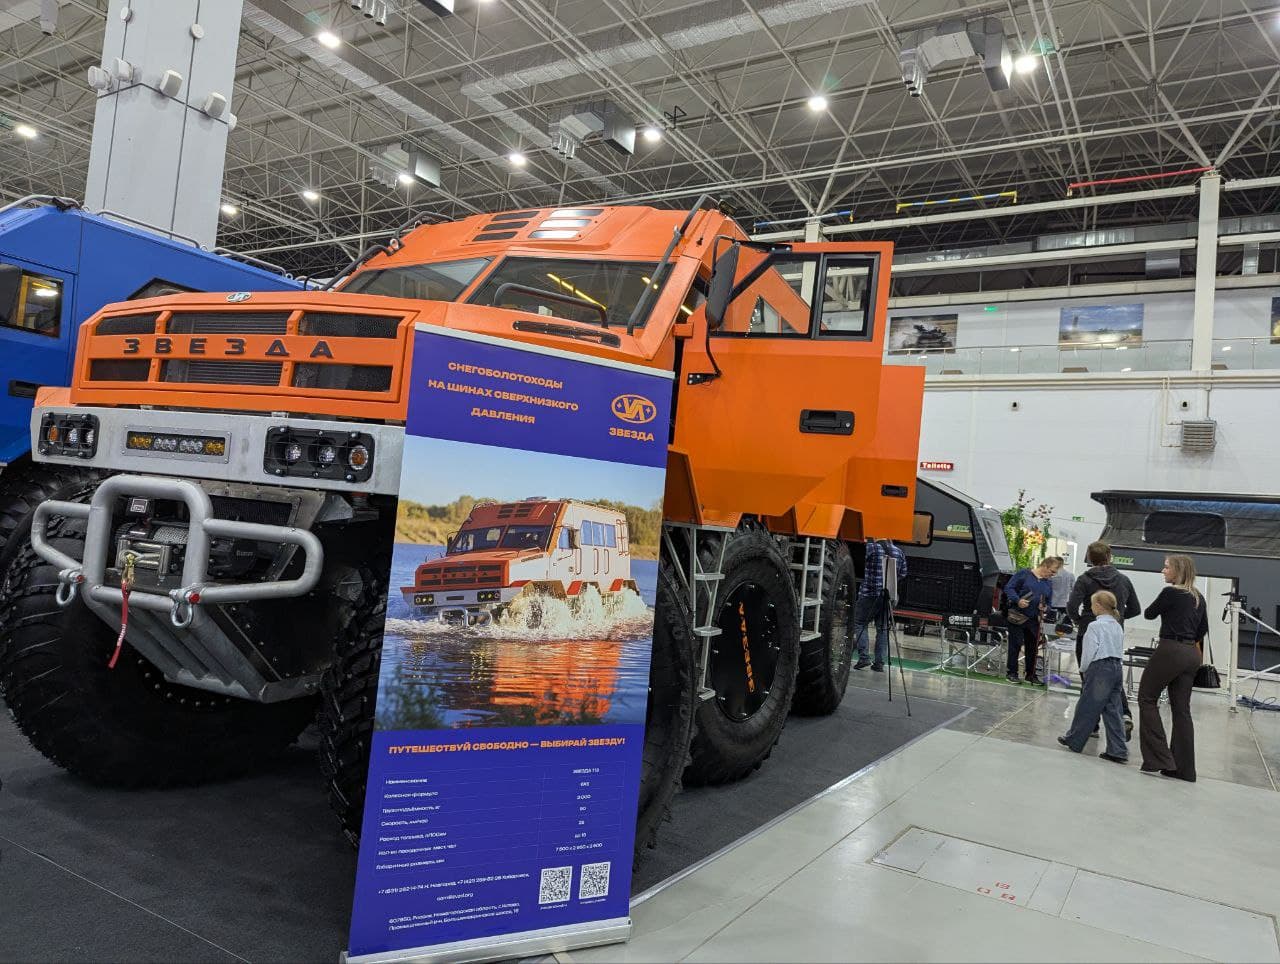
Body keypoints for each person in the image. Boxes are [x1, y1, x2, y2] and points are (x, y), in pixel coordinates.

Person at [1138, 554, 1207, 782]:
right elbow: (1201, 630)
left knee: (1147, 697)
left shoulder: (1170, 593)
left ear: (1178, 571)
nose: (1163, 571)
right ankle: (1184, 769)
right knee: (1181, 709)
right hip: (1191, 654)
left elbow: (1149, 614)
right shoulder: (1198, 597)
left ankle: (1159, 759)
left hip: (1171, 649)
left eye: (1167, 567)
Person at [1068, 541, 1142, 736]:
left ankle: (1091, 726)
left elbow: (1071, 606)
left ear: (1089, 558)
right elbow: (1136, 608)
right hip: (1114, 634)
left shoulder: (1084, 579)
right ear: (1109, 556)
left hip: (1088, 631)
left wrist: (1080, 620)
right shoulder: (1123, 580)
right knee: (1113, 675)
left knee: (1088, 679)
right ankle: (1124, 715)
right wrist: (1118, 618)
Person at [1058, 590, 1128, 763]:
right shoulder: (1117, 626)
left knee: (1087, 706)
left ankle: (1074, 739)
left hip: (1100, 669)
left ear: (1098, 606)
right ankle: (1118, 750)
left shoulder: (1095, 626)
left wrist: (1083, 669)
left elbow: (1089, 651)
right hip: (1116, 668)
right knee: (1113, 710)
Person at [853, 538, 908, 673]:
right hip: (888, 596)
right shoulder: (899, 552)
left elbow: (857, 566)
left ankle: (864, 657)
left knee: (860, 623)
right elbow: (903, 573)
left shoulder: (870, 548)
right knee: (882, 628)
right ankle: (879, 663)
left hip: (869, 594)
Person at [1003, 556, 1058, 684]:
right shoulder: (1024, 574)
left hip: (1034, 619)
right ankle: (1012, 673)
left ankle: (1031, 674)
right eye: (1052, 571)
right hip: (1018, 616)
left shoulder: (1048, 583)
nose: (1053, 575)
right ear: (1045, 566)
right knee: (1015, 644)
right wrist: (1018, 600)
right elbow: (1009, 588)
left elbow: (1049, 602)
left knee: (1033, 647)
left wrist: (1045, 608)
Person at [1047, 556, 1075, 626]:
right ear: (1063, 563)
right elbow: (1074, 590)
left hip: (1052, 603)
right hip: (1065, 604)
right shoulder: (1070, 575)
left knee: (1050, 625)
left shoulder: (1051, 575)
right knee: (1065, 626)